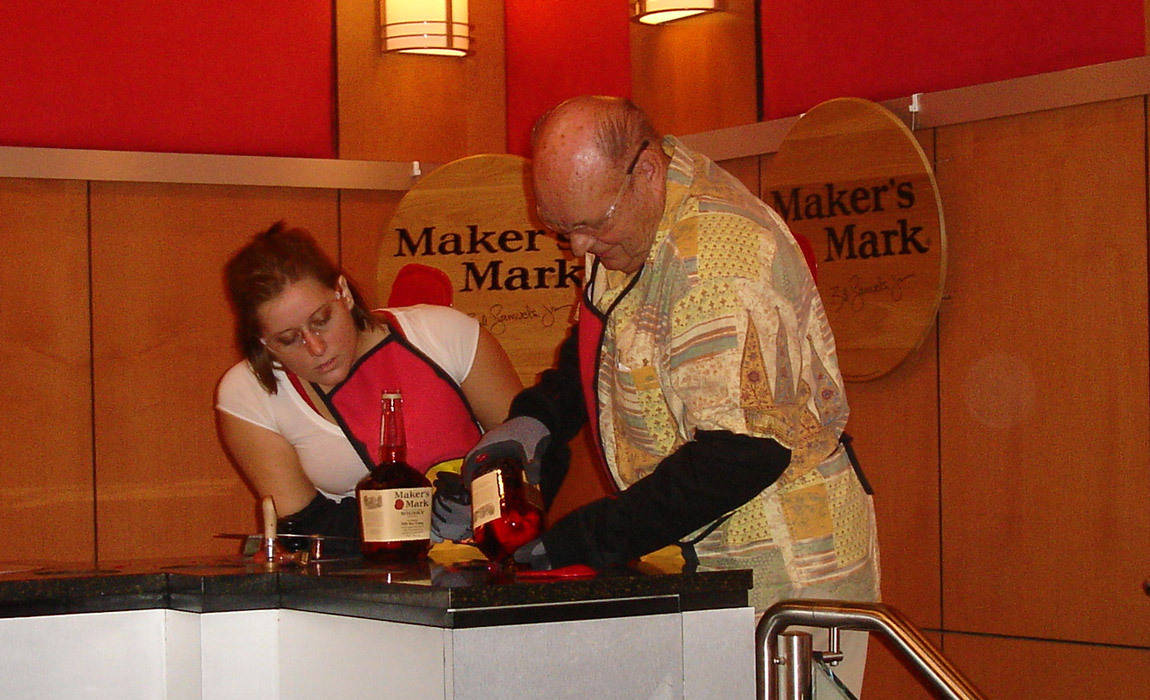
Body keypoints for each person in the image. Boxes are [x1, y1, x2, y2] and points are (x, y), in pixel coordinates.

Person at [462, 96, 881, 693]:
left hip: (784, 566)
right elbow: (604, 343)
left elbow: (743, 454)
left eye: (589, 225)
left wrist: (590, 538)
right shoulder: (627, 219)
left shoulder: (717, 260)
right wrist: (536, 422)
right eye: (561, 228)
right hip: (704, 555)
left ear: (647, 171)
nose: (578, 248)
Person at [215, 222, 522, 553]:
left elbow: (530, 456)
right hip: (355, 578)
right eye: (288, 339)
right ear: (263, 342)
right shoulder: (247, 394)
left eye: (322, 321)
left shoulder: (445, 335)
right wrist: (426, 526)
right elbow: (306, 525)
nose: (315, 347)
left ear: (343, 293)